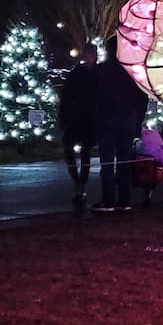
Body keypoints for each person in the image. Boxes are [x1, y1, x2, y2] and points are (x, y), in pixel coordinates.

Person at [93, 33, 148, 213]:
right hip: (128, 121)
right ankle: (124, 200)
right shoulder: (132, 71)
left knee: (107, 162)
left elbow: (93, 97)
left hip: (107, 120)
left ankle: (108, 200)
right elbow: (142, 97)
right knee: (125, 161)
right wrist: (137, 120)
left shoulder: (101, 71)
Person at [59, 44, 97, 206]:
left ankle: (82, 182)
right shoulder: (76, 74)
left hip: (89, 119)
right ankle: (77, 180)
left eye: (89, 55)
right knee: (69, 149)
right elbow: (66, 97)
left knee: (85, 152)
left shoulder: (98, 74)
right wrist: (64, 117)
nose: (86, 58)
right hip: (75, 118)